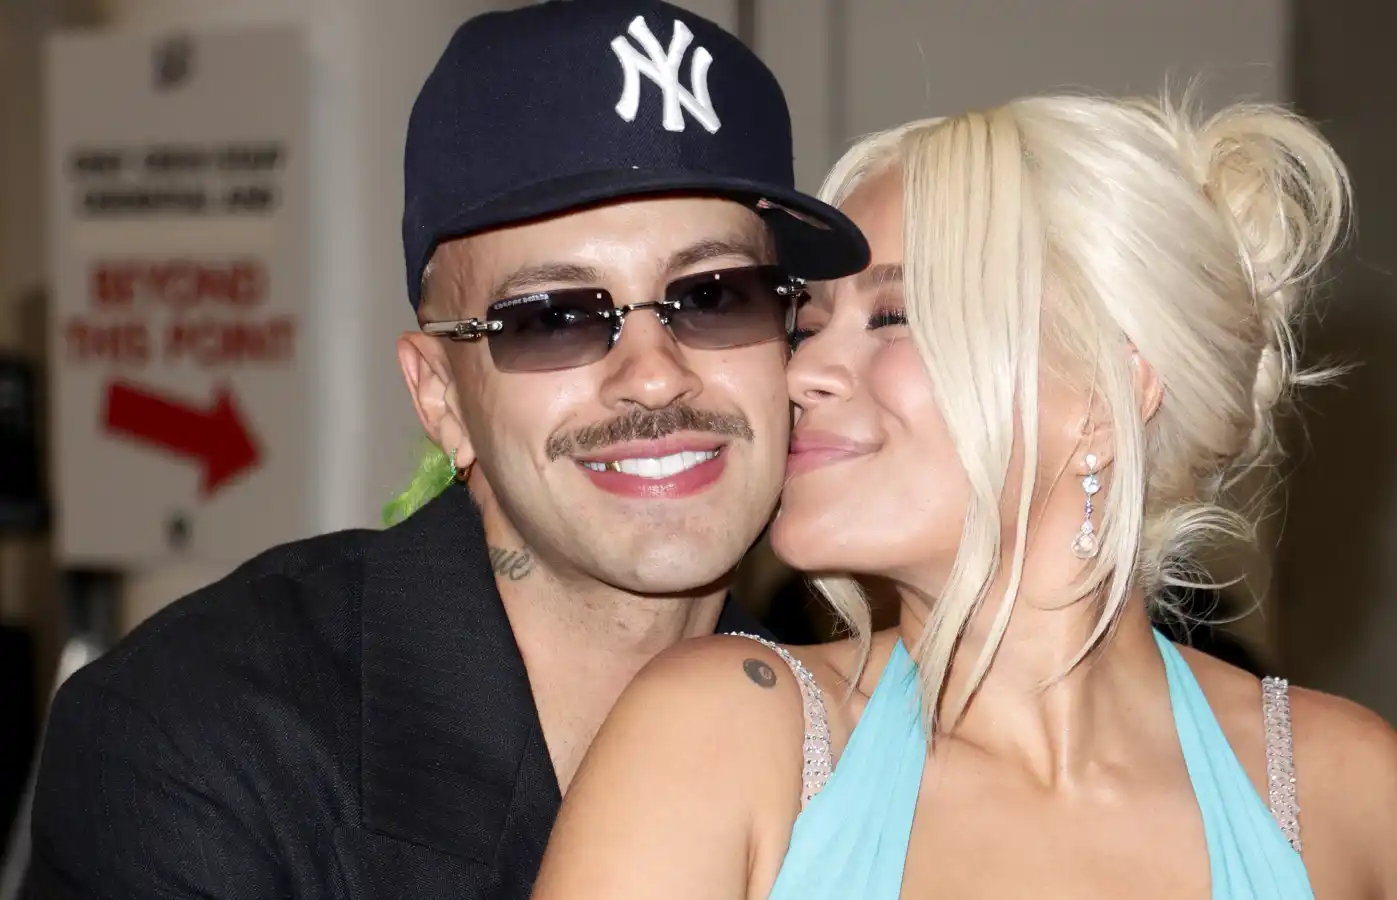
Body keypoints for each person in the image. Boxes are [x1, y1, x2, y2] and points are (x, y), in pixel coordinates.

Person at [23, 1, 865, 898]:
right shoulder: (197, 740)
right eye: (553, 318)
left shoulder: (858, 754)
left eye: (716, 296)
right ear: (439, 396)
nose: (655, 378)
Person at [531, 92, 1397, 899]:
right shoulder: (725, 738)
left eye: (895, 316)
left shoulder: (1337, 786)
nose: (801, 373)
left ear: (1102, 399)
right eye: (807, 324)